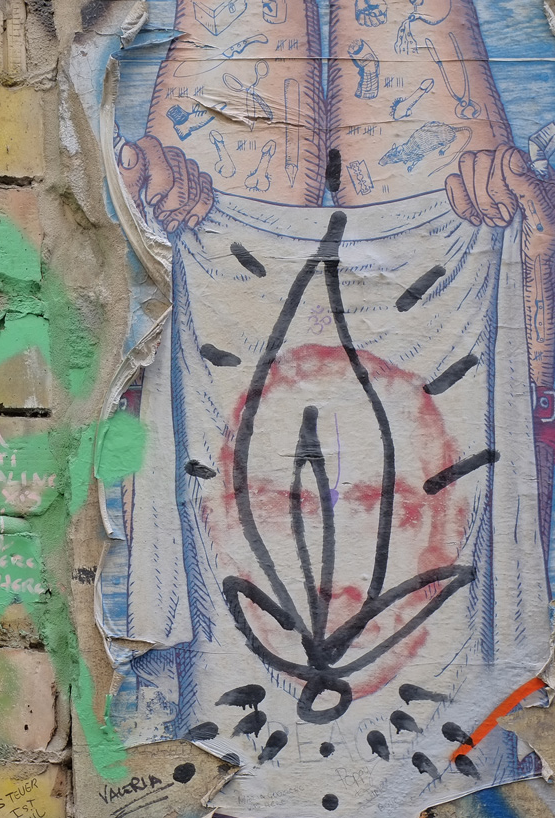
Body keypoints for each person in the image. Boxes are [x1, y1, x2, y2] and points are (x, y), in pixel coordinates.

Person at [101, 0, 555, 814]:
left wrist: (128, 235)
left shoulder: (173, 755)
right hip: (437, 292)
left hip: (244, 288)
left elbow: (128, 463)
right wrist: (537, 272)